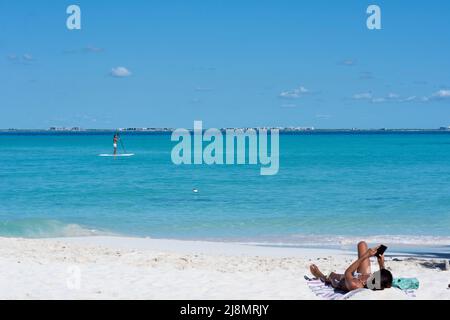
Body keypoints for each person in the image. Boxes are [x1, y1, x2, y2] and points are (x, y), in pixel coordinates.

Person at [309, 241, 393, 292]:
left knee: (332, 275)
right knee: (362, 244)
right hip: (362, 275)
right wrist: (381, 263)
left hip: (342, 280)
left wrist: (366, 255)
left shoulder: (355, 285)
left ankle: (320, 276)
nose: (374, 272)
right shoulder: (377, 282)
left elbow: (348, 272)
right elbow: (384, 279)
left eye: (375, 274)